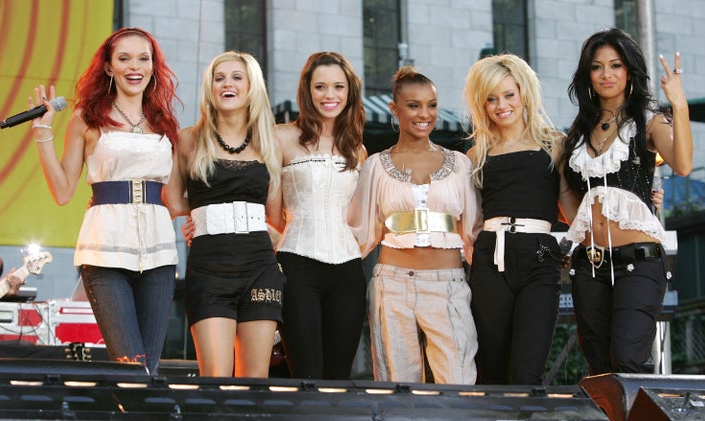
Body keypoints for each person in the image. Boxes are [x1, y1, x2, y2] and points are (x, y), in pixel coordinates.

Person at [29, 27, 180, 375]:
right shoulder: (87, 118)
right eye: (124, 58)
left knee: (150, 370)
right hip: (105, 252)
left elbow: (173, 195)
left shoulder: (164, 122)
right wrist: (43, 132)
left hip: (159, 253)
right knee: (131, 369)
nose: (135, 67)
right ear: (109, 67)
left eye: (143, 58)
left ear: (153, 66)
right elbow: (63, 192)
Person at [563, 28, 693, 375]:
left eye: (616, 65)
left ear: (630, 70)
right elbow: (570, 197)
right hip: (589, 265)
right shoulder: (578, 132)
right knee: (599, 367)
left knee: (628, 358)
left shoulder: (649, 120)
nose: (606, 74)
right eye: (597, 66)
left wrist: (679, 104)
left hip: (639, 261)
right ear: (587, 74)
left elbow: (683, 165)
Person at [349, 66, 480, 384]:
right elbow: (360, 233)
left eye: (431, 105)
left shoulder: (460, 164)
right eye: (413, 105)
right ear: (394, 109)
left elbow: (473, 233)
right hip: (392, 286)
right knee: (397, 387)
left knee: (459, 381)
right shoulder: (375, 166)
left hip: (448, 285)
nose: (425, 114)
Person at [165, 51, 285, 378]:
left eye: (236, 77)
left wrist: (256, 224)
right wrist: (208, 214)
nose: (226, 84)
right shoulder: (189, 139)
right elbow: (172, 201)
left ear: (251, 87)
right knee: (215, 380)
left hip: (259, 268)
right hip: (209, 268)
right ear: (210, 88)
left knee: (254, 383)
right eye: (219, 78)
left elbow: (276, 217)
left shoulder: (269, 142)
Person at [463, 54, 581, 385]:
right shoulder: (477, 154)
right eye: (491, 98)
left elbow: (572, 210)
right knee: (491, 369)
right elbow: (469, 217)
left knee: (527, 372)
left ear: (524, 93)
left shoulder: (554, 143)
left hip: (540, 254)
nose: (501, 105)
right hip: (490, 255)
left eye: (509, 95)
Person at [273, 52, 367, 380]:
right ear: (307, 90)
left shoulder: (356, 147)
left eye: (339, 86)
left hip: (348, 272)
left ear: (349, 92)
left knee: (339, 378)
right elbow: (270, 211)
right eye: (321, 86)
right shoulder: (281, 137)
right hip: (297, 266)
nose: (330, 95)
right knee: (306, 376)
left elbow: (358, 216)